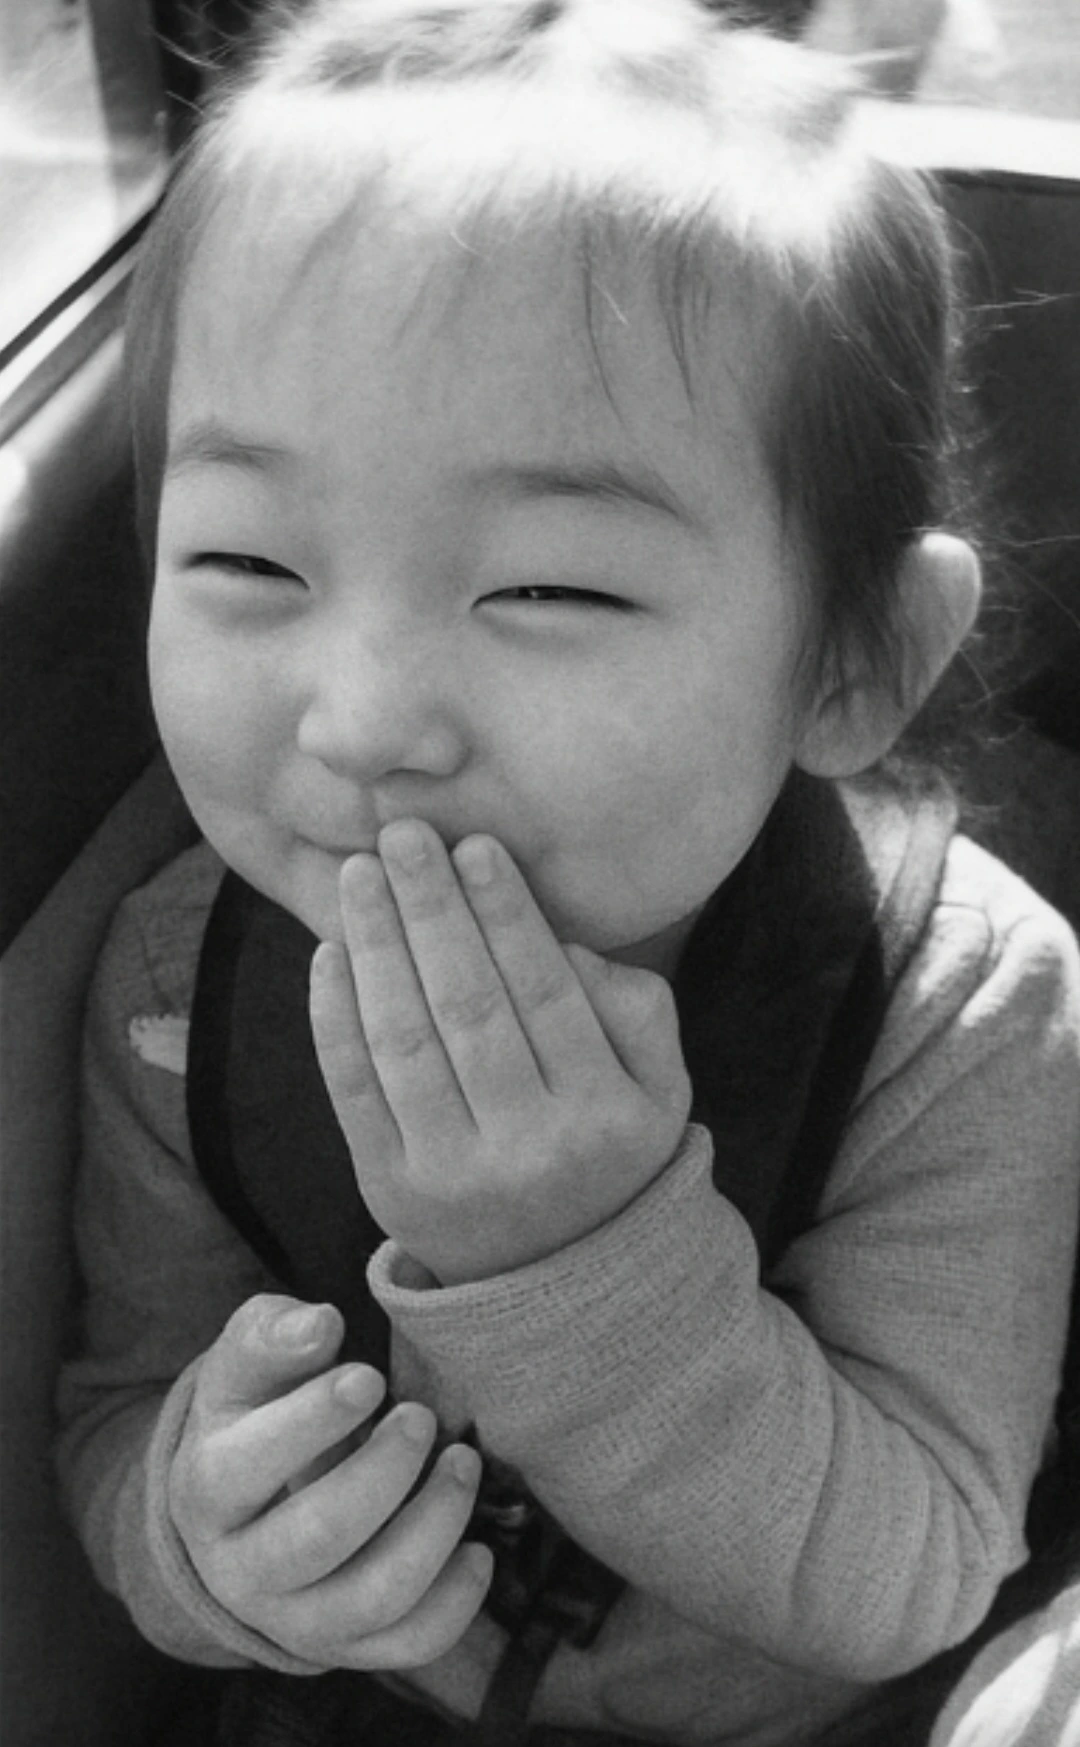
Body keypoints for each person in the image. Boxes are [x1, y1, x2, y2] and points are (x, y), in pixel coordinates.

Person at [55, 2, 1080, 1744]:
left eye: (548, 588)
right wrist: (200, 1537)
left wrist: (574, 1253)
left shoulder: (964, 1001)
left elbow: (913, 1569)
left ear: (854, 661)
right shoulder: (177, 988)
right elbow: (121, 1406)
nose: (365, 720)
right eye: (246, 562)